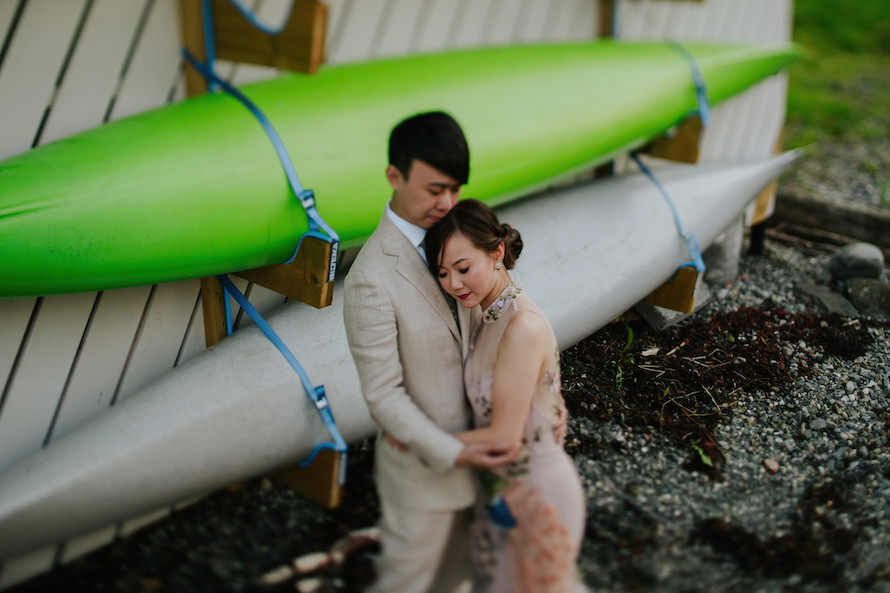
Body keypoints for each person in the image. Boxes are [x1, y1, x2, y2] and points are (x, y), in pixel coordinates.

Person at [343, 112, 517, 593]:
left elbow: (502, 319)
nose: (447, 203)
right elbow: (382, 395)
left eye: (456, 190)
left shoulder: (459, 232)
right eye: (435, 189)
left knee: (466, 580)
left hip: (490, 461)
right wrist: (457, 453)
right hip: (425, 475)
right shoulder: (370, 279)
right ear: (394, 177)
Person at [424, 198, 587, 593]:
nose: (453, 284)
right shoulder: (482, 313)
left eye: (463, 269)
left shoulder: (522, 328)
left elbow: (502, 437)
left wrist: (417, 442)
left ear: (497, 253)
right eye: (442, 273)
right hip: (498, 496)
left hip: (537, 495)